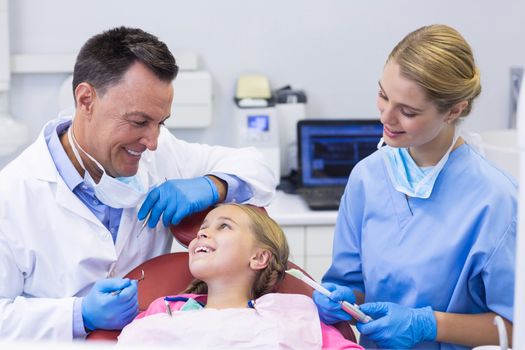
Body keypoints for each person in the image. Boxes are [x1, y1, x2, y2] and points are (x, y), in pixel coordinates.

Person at [0, 26, 276, 341]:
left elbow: (259, 168)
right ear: (86, 100)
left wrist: (212, 185)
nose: (153, 141)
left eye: (161, 123)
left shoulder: (162, 155)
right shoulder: (11, 196)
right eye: (139, 122)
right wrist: (79, 315)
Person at [313, 24, 516, 350]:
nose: (386, 118)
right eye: (383, 95)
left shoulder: (497, 200)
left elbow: (514, 327)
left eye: (407, 111)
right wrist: (344, 299)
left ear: (454, 110)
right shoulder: (367, 177)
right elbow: (354, 284)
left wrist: (427, 325)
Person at [117, 204, 363, 349]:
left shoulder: (292, 315)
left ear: (259, 258)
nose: (203, 233)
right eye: (203, 228)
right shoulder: (164, 310)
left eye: (223, 226)